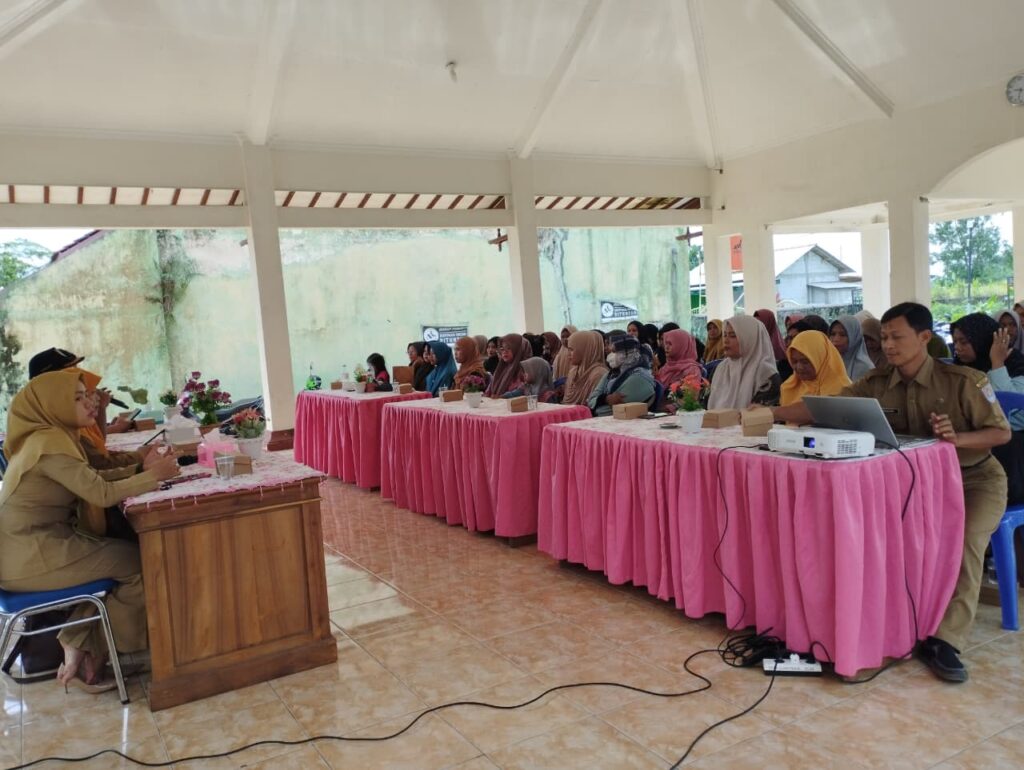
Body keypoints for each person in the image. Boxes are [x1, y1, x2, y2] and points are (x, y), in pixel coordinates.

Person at [772, 302, 1010, 683]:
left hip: (974, 480)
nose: (888, 345)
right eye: (884, 337)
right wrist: (770, 415)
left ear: (924, 337)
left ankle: (946, 639)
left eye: (896, 337)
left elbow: (1001, 433)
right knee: (873, 537)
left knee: (963, 541)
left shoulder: (964, 381)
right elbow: (826, 407)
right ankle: (894, 623)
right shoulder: (877, 382)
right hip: (912, 483)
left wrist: (958, 438)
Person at [0, 371, 181, 691]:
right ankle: (93, 648)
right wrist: (153, 477)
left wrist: (141, 469)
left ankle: (80, 641)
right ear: (53, 404)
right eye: (76, 398)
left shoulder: (51, 436)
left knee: (130, 556)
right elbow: (100, 493)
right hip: (28, 556)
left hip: (32, 548)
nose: (89, 402)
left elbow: (91, 480)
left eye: (87, 395)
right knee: (140, 563)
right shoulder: (50, 444)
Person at [952, 313, 1024, 429]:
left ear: (981, 341)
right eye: (955, 342)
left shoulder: (1015, 362)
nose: (957, 347)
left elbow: (1012, 410)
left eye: (963, 342)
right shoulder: (961, 366)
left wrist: (997, 363)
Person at [707, 315, 781, 409]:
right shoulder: (721, 368)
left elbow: (758, 413)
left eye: (733, 336)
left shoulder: (765, 374)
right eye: (724, 335)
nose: (725, 340)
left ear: (750, 339)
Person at [587, 336, 656, 417]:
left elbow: (612, 411)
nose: (610, 356)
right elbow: (591, 400)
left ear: (628, 354)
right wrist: (606, 399)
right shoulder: (612, 374)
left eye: (615, 352)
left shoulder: (641, 378)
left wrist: (596, 406)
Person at [778, 331, 850, 406]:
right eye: (794, 361)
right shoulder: (790, 387)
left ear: (820, 359)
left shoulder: (842, 390)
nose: (799, 367)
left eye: (805, 362)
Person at [561, 330, 608, 406]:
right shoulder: (573, 372)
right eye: (568, 350)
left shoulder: (598, 374)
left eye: (571, 350)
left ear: (584, 350)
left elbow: (592, 404)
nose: (568, 354)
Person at [829, 315, 875, 380]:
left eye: (842, 335)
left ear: (854, 337)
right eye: (833, 334)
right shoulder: (828, 362)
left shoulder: (864, 367)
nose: (836, 339)